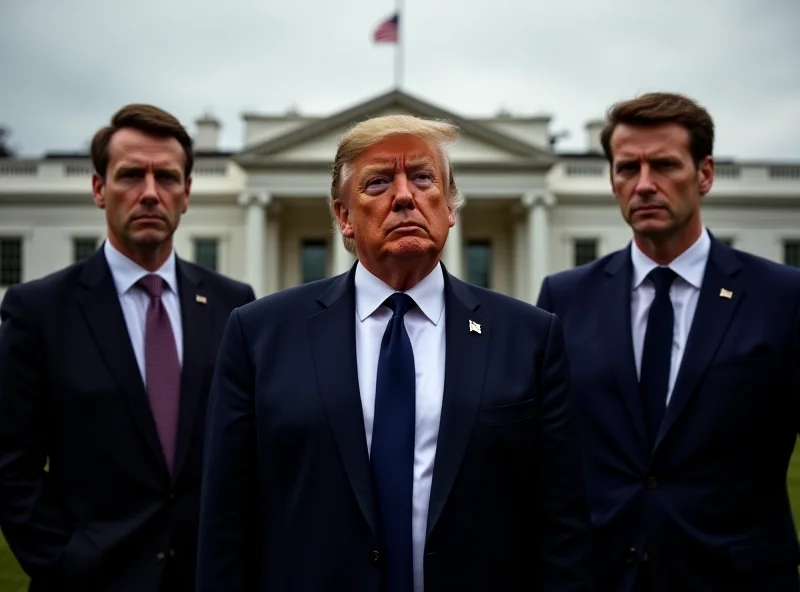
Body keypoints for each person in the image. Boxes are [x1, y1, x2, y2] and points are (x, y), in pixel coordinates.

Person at [197, 114, 591, 591]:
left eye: (423, 178)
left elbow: (561, 526)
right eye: (378, 182)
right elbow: (226, 523)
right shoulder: (259, 335)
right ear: (343, 216)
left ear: (450, 207)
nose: (404, 196)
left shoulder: (529, 337)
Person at [536, 92, 800, 591]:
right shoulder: (564, 298)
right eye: (626, 168)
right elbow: (545, 462)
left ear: (705, 174)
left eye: (663, 165)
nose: (644, 185)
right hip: (600, 576)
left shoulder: (783, 298)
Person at [0, 104, 256, 591]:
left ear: (187, 193)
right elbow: (11, 466)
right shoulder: (38, 311)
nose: (150, 193)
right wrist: (63, 561)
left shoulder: (233, 304)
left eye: (167, 177)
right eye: (131, 175)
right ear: (99, 189)